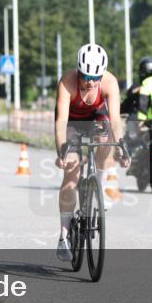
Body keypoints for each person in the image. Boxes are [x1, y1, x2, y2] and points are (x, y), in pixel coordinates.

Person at [53, 43, 130, 262]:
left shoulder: (109, 82)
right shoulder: (67, 82)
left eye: (95, 77)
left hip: (97, 118)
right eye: (86, 75)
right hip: (72, 123)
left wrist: (122, 146)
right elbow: (61, 122)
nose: (90, 81)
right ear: (79, 70)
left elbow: (115, 120)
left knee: (108, 140)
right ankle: (64, 236)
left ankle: (100, 187)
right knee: (71, 174)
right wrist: (63, 152)